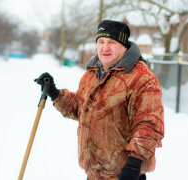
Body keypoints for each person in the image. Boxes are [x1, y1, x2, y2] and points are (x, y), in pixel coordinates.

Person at [35, 20, 164, 180]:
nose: (105, 47)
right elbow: (80, 108)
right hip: (94, 174)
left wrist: (133, 165)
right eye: (101, 41)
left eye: (112, 42)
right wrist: (54, 93)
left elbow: (149, 125)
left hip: (125, 175)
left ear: (124, 46)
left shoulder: (141, 78)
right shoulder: (92, 74)